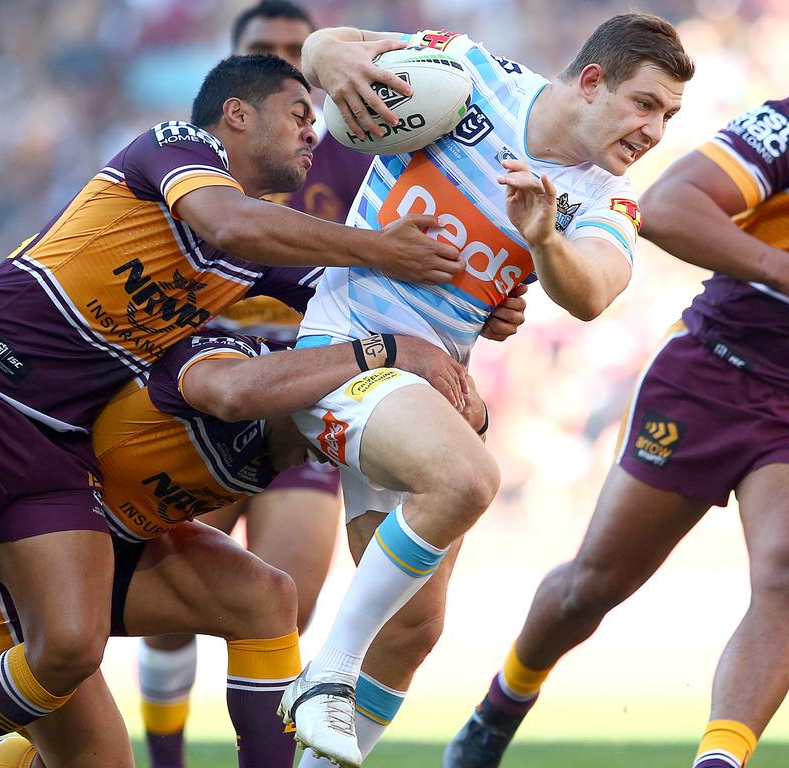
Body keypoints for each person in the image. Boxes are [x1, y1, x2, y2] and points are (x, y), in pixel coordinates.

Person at [0, 52, 466, 768]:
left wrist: (473, 303)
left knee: (75, 652)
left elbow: (360, 302)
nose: (312, 135)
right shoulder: (173, 147)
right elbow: (230, 225)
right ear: (236, 114)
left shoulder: (268, 252)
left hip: (57, 443)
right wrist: (380, 249)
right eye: (298, 115)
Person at [443, 1, 789, 766]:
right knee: (593, 586)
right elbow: (666, 207)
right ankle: (501, 706)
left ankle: (719, 760)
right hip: (713, 376)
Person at [278, 15, 694, 767]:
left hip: (430, 394)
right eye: (645, 104)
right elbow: (329, 46)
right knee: (467, 479)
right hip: (341, 356)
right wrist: (326, 56)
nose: (654, 130)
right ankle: (326, 677)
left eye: (668, 116)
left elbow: (595, 289)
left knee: (410, 632)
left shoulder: (610, 199)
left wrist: (543, 241)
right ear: (593, 81)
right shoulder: (468, 75)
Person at [0, 325, 473, 768]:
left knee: (266, 596)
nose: (340, 450)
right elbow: (229, 389)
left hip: (103, 550)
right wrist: (379, 350)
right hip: (8, 556)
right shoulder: (227, 364)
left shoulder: (285, 449)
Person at [136, 5, 372, 763]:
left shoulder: (356, 161)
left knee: (282, 604)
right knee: (170, 607)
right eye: (261, 53)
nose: (279, 62)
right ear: (234, 83)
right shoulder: (185, 159)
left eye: (291, 54)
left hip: (298, 396)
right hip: (199, 388)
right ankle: (167, 757)